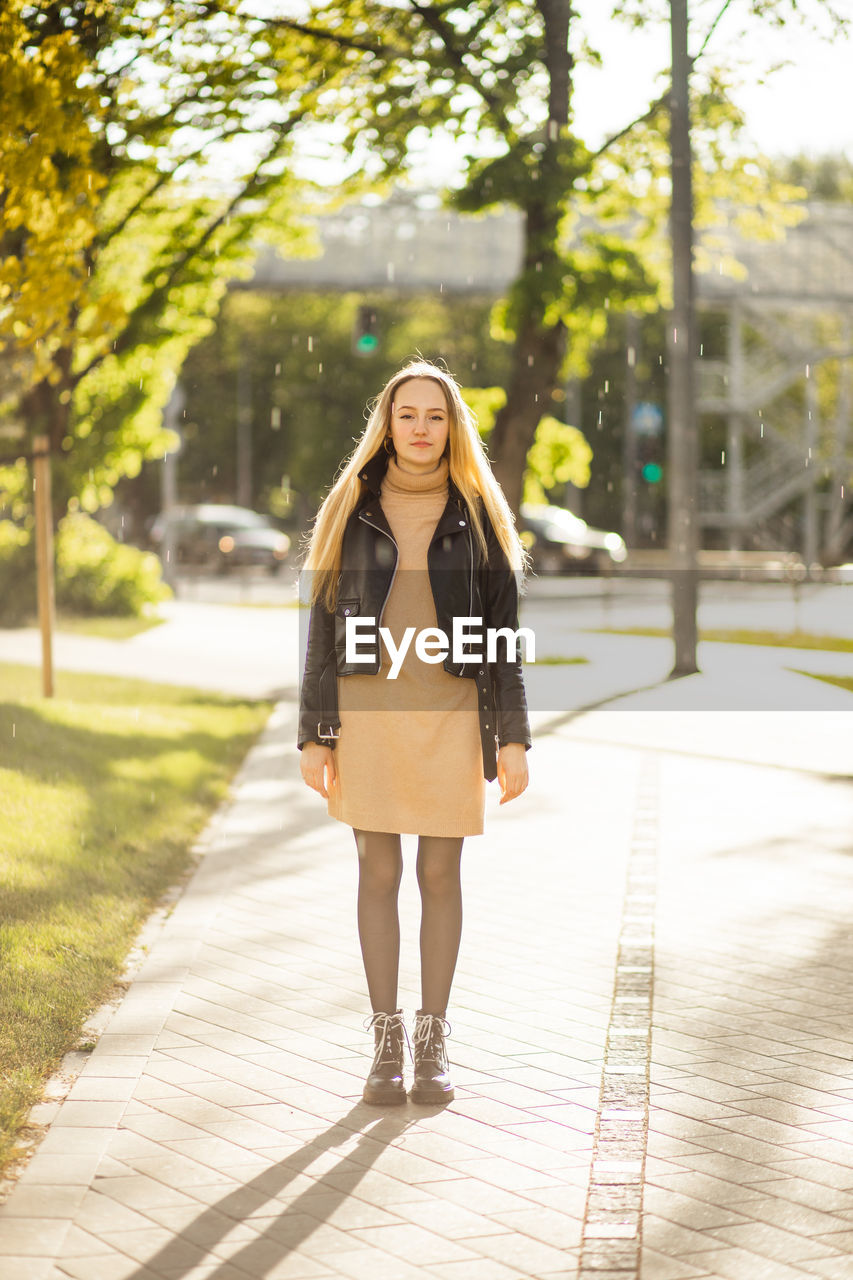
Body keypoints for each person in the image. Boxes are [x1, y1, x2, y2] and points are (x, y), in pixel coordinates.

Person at [298, 359, 531, 1106]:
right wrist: (315, 732)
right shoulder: (352, 504)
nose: (421, 429)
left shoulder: (478, 515)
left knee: (438, 876)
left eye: (435, 416)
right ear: (388, 423)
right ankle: (384, 1044)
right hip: (368, 715)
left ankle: (432, 1043)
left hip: (450, 716)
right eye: (408, 415)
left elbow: (502, 635)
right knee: (377, 874)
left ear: (451, 427)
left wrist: (513, 737)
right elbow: (322, 626)